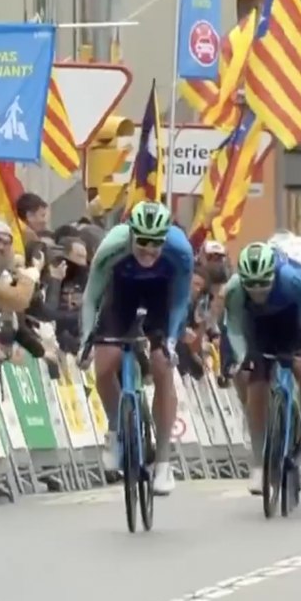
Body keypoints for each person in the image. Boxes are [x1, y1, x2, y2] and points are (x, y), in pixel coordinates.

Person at [79, 201, 194, 496]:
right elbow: (91, 297)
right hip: (122, 294)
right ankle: (117, 431)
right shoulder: (112, 246)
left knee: (162, 366)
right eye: (141, 242)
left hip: (161, 298)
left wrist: (170, 340)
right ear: (130, 234)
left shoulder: (180, 251)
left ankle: (165, 463)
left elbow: (181, 300)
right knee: (104, 365)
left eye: (156, 244)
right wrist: (86, 338)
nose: (148, 250)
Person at [224, 242, 301, 493]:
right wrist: (240, 358)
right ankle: (259, 464)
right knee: (256, 382)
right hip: (258, 326)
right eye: (253, 285)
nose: (258, 291)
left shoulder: (294, 279)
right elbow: (235, 328)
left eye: (264, 283)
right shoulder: (236, 289)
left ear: (274, 274)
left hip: (292, 320)